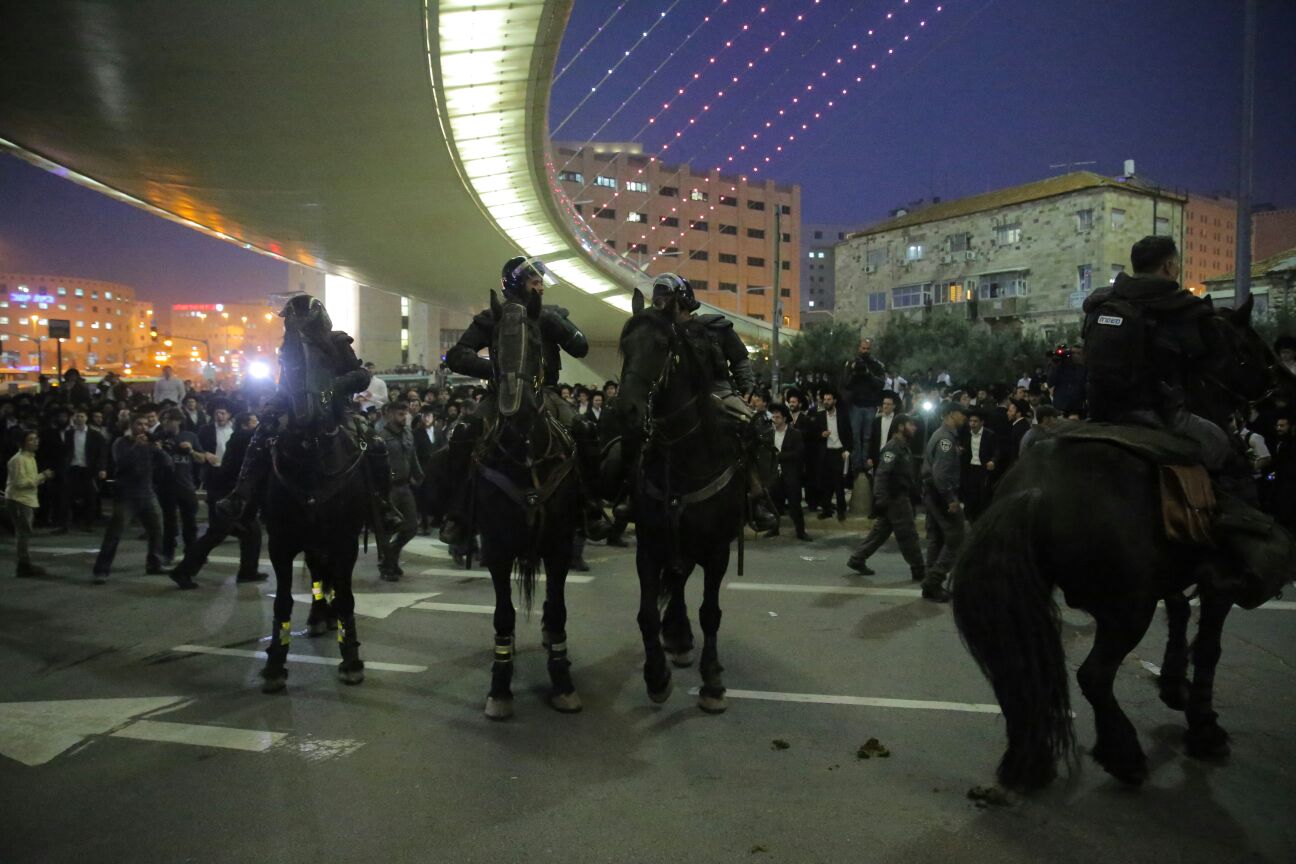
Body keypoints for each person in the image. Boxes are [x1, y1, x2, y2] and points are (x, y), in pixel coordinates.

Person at [441, 255, 612, 543]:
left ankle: (591, 507)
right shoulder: (492, 317)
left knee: (584, 430)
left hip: (545, 392)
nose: (542, 288)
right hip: (500, 394)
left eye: (542, 282)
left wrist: (551, 320)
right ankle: (457, 514)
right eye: (536, 282)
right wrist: (499, 369)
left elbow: (581, 347)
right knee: (463, 433)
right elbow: (457, 356)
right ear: (519, 285)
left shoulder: (549, 315)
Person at [214, 295, 402, 536]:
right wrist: (273, 405)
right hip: (296, 409)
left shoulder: (337, 341)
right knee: (261, 436)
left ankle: (384, 504)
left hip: (335, 409)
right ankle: (240, 496)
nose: (296, 326)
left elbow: (361, 375)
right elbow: (285, 387)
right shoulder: (289, 351)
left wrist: (334, 386)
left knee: (374, 442)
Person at [645, 273, 779, 532]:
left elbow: (739, 360)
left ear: (681, 300)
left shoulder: (716, 327)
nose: (661, 303)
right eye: (658, 298)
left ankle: (757, 495)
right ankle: (629, 494)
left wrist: (747, 390)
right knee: (639, 429)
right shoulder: (658, 334)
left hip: (718, 392)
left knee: (760, 426)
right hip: (675, 398)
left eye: (666, 298)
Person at [168, 412, 268, 590]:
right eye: (255, 421)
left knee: (252, 532)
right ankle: (183, 571)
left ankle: (248, 571)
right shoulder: (241, 438)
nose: (258, 424)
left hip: (240, 495)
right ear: (246, 425)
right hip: (228, 494)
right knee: (217, 534)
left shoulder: (249, 439)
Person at [848, 413, 925, 580]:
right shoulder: (893, 447)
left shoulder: (903, 446)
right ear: (900, 427)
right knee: (908, 534)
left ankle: (857, 558)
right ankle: (918, 568)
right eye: (911, 425)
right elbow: (882, 474)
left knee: (880, 532)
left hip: (897, 496)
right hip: (895, 498)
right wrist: (880, 499)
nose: (914, 428)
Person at [93, 415, 169, 584]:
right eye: (139, 424)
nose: (143, 427)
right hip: (126, 495)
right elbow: (121, 462)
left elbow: (168, 464)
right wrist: (136, 446)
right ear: (132, 426)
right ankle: (101, 570)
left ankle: (154, 563)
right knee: (114, 533)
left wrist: (159, 449)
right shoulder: (121, 443)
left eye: (146, 425)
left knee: (157, 529)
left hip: (147, 493)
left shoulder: (149, 444)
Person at [920, 401, 967, 603]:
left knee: (937, 537)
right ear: (950, 415)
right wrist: (950, 499)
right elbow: (940, 475)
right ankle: (933, 580)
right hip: (940, 494)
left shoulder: (943, 436)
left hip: (932, 492)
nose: (963, 417)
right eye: (960, 414)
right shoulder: (945, 439)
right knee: (957, 536)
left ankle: (931, 581)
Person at [155, 407, 213, 565]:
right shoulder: (158, 437)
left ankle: (192, 553)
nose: (166, 422)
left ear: (178, 420)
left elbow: (201, 459)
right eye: (164, 419)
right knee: (168, 523)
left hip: (185, 485)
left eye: (169, 419)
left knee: (190, 523)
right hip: (165, 486)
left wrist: (190, 450)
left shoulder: (189, 436)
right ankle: (168, 553)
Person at [377, 400, 424, 581]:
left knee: (411, 527)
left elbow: (412, 456)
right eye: (400, 414)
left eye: (405, 414)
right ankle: (387, 565)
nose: (404, 417)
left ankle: (392, 555)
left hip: (405, 486)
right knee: (387, 529)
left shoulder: (408, 433)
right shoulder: (380, 436)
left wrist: (418, 474)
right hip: (388, 488)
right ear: (389, 414)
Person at [7, 430, 55, 578]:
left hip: (25, 499)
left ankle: (24, 564)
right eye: (31, 440)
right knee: (22, 533)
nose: (35, 442)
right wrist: (43, 476)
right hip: (19, 499)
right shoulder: (18, 460)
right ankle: (23, 565)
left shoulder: (30, 457)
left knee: (24, 533)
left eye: (36, 439)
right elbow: (20, 483)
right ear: (22, 443)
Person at [58, 409, 108, 532]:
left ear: (86, 418)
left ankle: (88, 524)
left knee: (90, 497)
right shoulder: (69, 433)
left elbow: (102, 453)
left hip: (88, 469)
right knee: (66, 497)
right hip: (73, 468)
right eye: (77, 416)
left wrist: (102, 468)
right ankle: (64, 525)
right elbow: (65, 451)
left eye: (82, 416)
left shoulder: (95, 434)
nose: (79, 418)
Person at [843, 338, 885, 473]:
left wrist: (868, 374)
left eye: (867, 349)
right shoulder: (851, 364)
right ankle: (856, 467)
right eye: (863, 348)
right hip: (855, 405)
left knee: (868, 436)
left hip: (870, 405)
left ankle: (866, 465)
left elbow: (881, 383)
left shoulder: (875, 365)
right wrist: (854, 373)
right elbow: (845, 383)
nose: (865, 351)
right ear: (858, 348)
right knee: (855, 437)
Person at [768, 403, 808, 541]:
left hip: (791, 475)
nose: (774, 420)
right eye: (773, 417)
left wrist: (780, 456)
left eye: (777, 417)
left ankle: (801, 532)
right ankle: (774, 529)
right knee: (774, 504)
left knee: (794, 506)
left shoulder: (795, 434)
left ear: (784, 419)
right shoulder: (769, 434)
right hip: (774, 475)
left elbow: (799, 453)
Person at [814, 388, 853, 521]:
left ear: (834, 401)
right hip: (826, 453)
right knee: (826, 483)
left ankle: (841, 510)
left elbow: (849, 435)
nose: (826, 402)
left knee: (838, 483)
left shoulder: (842, 415)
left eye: (829, 399)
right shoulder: (819, 416)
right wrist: (821, 435)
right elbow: (814, 435)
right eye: (824, 399)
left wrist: (847, 450)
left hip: (838, 452)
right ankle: (826, 509)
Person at [959, 408, 1000, 522]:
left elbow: (996, 451)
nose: (972, 423)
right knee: (969, 494)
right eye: (971, 421)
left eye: (975, 421)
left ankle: (982, 518)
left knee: (982, 495)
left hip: (983, 469)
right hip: (970, 469)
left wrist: (993, 461)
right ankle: (970, 518)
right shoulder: (966, 434)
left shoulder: (989, 435)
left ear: (982, 422)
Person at [865, 393, 898, 474]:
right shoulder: (877, 420)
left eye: (888, 404)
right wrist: (869, 457)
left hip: (892, 457)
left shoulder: (897, 420)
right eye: (884, 403)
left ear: (894, 406)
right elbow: (872, 439)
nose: (885, 406)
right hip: (877, 456)